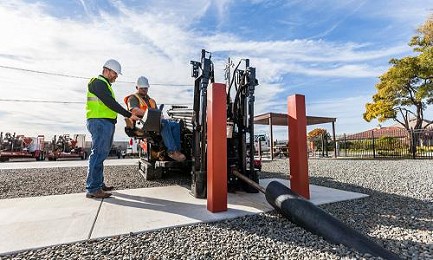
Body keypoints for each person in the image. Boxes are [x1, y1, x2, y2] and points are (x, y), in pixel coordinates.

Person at [86, 59, 140, 199]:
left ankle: (98, 183)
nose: (116, 76)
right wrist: (129, 115)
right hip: (99, 122)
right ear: (106, 70)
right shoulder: (97, 82)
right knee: (98, 154)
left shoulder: (105, 85)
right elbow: (110, 103)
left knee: (101, 154)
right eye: (115, 73)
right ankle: (93, 188)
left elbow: (110, 104)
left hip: (105, 123)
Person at [124, 76, 186, 162]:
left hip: (153, 123)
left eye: (146, 88)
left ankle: (177, 151)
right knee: (164, 123)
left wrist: (160, 116)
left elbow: (158, 113)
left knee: (175, 125)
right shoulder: (133, 98)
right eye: (142, 88)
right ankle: (171, 151)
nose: (144, 90)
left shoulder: (151, 101)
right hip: (141, 124)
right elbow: (134, 110)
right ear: (136, 87)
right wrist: (149, 114)